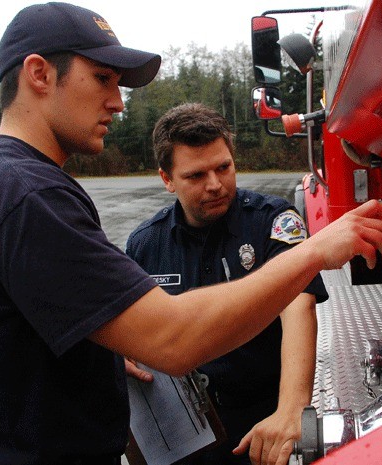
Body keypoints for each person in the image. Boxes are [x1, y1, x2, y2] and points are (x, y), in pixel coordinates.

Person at [0, 2, 382, 464]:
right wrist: (315, 250)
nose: (118, 103)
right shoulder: (26, 195)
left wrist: (105, 343)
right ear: (40, 74)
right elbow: (174, 340)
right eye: (103, 79)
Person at [126, 103, 327, 465]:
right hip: (183, 433)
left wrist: (293, 408)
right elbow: (131, 327)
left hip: (261, 424)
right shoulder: (145, 245)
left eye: (224, 167)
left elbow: (298, 304)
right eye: (196, 175)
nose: (215, 185)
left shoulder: (274, 221)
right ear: (167, 179)